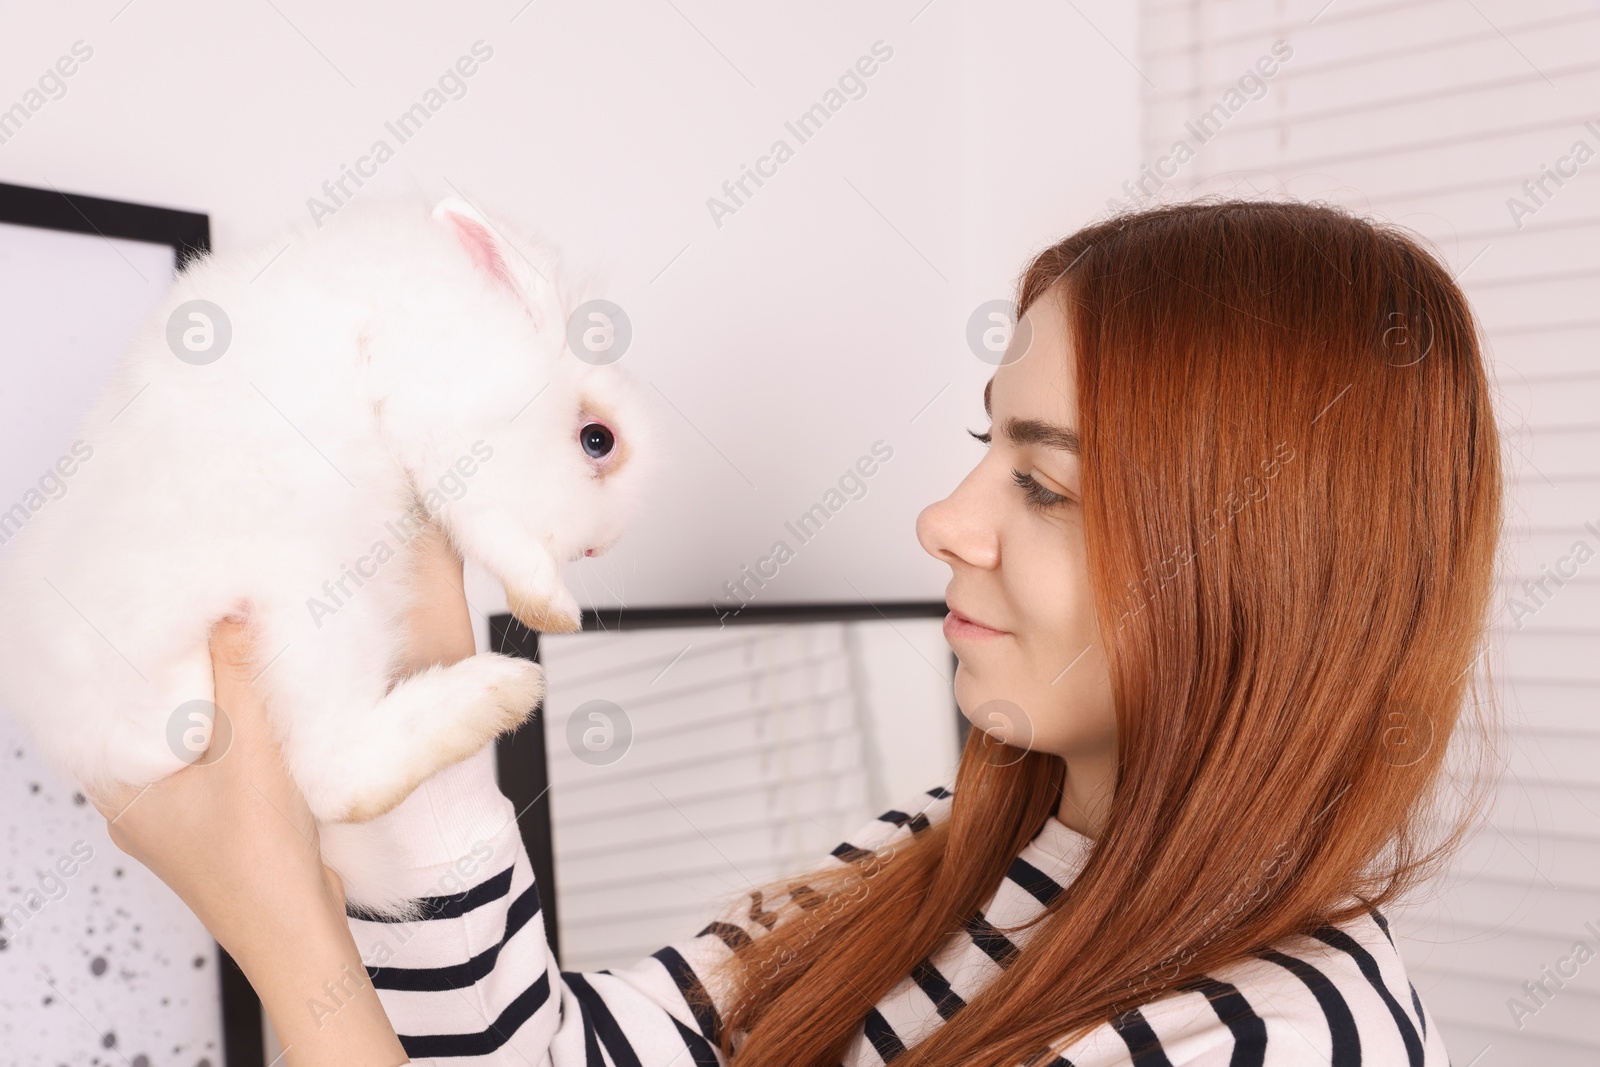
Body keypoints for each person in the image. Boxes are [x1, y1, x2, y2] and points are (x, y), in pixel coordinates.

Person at [93, 198, 1503, 1066]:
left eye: (1046, 481)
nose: (945, 521)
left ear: (1261, 566)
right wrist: (413, 628)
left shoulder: (1284, 1040)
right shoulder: (932, 874)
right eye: (982, 445)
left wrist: (286, 940)